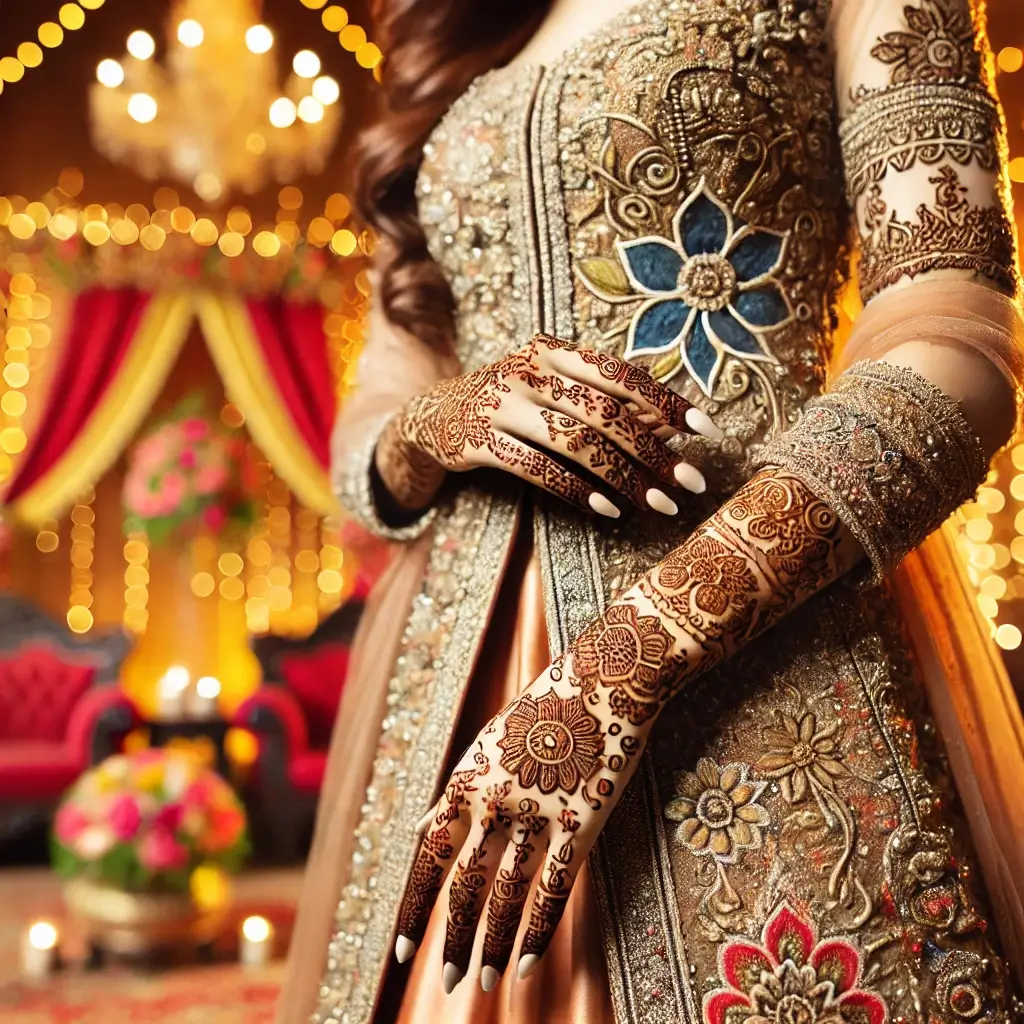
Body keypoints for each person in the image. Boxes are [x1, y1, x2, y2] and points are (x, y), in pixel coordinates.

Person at [279, 1, 1024, 1021]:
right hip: (455, 687)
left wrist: (625, 662)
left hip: (756, 653)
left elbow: (955, 347)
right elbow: (371, 412)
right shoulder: (462, 31)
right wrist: (435, 423)